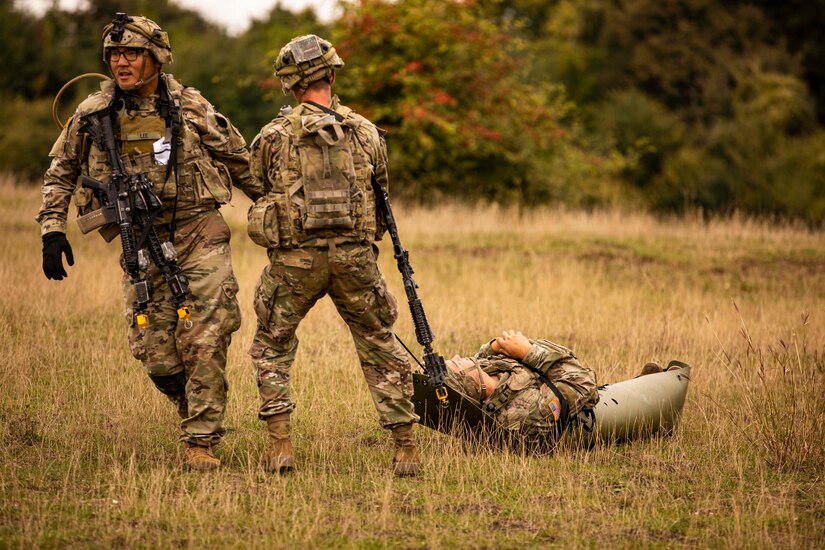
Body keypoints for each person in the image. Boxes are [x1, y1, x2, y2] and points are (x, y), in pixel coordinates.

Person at [36, 13, 262, 471]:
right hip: (139, 244)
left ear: (156, 57)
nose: (122, 62)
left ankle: (201, 441)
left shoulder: (190, 106)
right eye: (115, 54)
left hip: (199, 233)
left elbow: (243, 165)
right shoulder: (94, 114)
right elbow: (60, 174)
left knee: (205, 336)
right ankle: (189, 405)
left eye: (132, 53)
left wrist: (286, 220)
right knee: (154, 352)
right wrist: (52, 230)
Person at [247, 34, 420, 476]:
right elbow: (382, 197)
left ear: (289, 83)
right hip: (355, 260)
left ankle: (281, 445)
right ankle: (405, 449)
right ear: (333, 73)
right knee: (380, 343)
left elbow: (261, 188)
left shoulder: (271, 136)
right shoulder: (366, 133)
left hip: (294, 263)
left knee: (272, 344)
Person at [439, 330, 601, 452]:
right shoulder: (523, 414)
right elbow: (583, 382)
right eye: (457, 364)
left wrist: (495, 346)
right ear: (471, 385)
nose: (457, 356)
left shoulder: (487, 374)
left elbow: (480, 357)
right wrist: (527, 352)